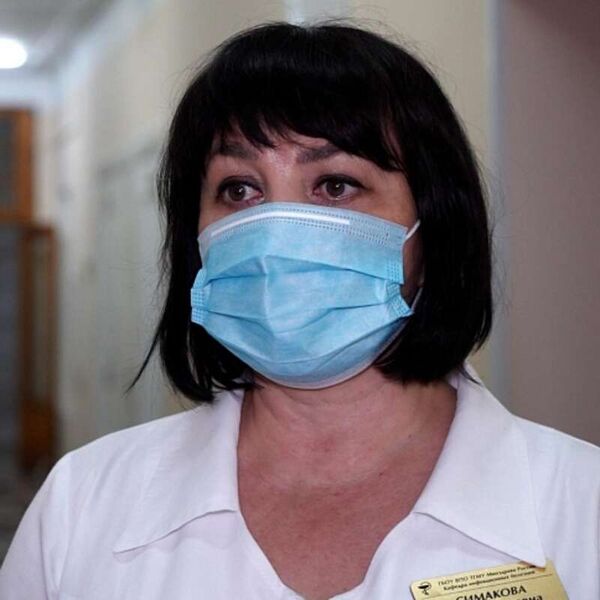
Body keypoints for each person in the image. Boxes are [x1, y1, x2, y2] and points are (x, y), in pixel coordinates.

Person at [1, 21, 599, 600]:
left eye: (335, 185)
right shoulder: (82, 504)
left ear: (434, 225)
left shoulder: (580, 505)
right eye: (239, 189)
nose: (273, 231)